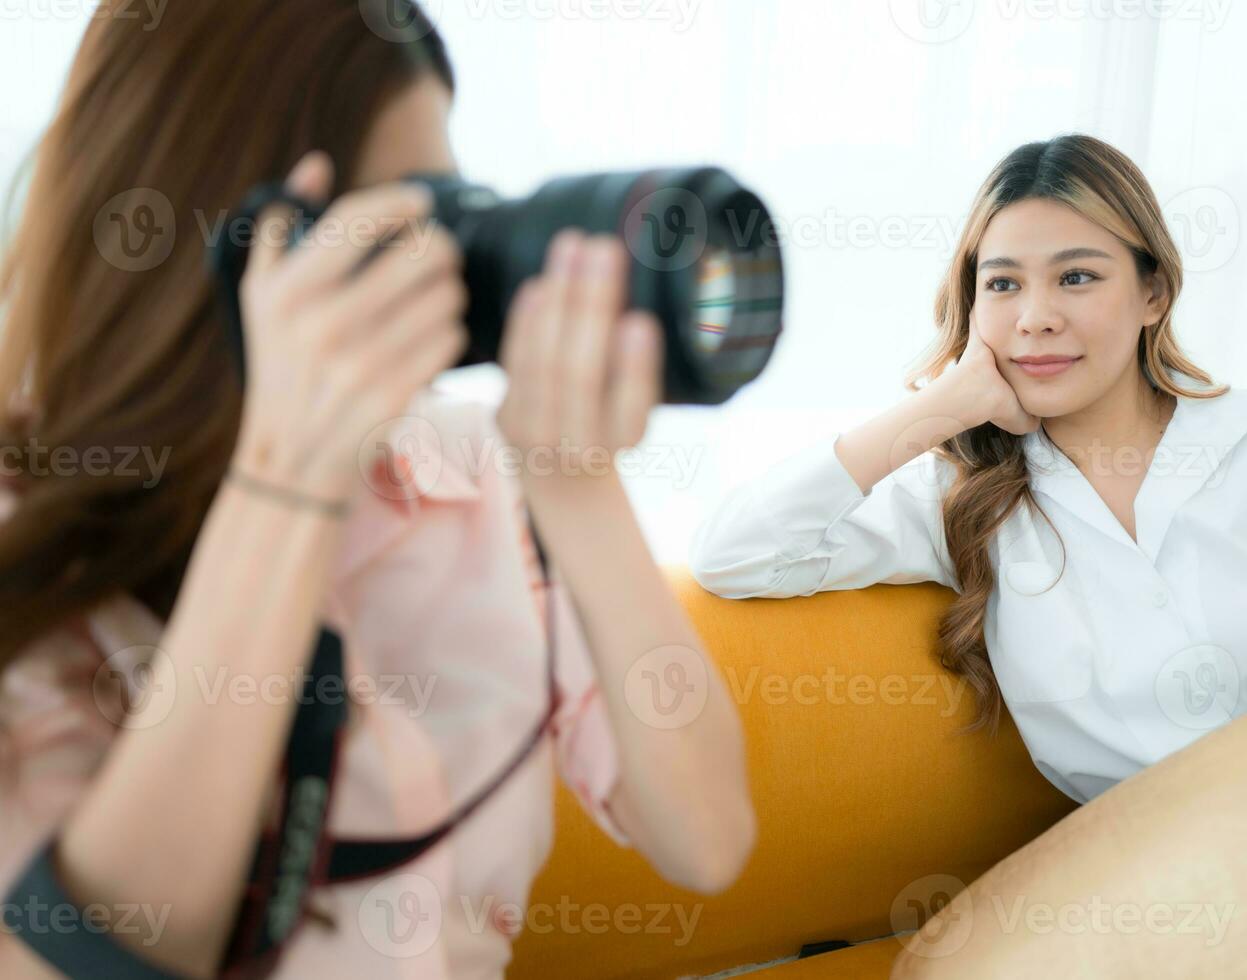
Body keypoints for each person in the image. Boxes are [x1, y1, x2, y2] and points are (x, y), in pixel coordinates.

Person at [0, 3, 753, 977]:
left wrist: (578, 488)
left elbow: (707, 838)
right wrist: (286, 484)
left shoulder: (469, 470)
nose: (435, 263)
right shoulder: (32, 528)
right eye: (389, 225)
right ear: (229, 250)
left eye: (446, 208)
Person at [689, 132, 1247, 806]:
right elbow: (737, 554)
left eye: (1077, 277)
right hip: (1138, 889)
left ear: (1152, 291)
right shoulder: (964, 496)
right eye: (1003, 284)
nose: (1035, 317)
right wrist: (939, 410)